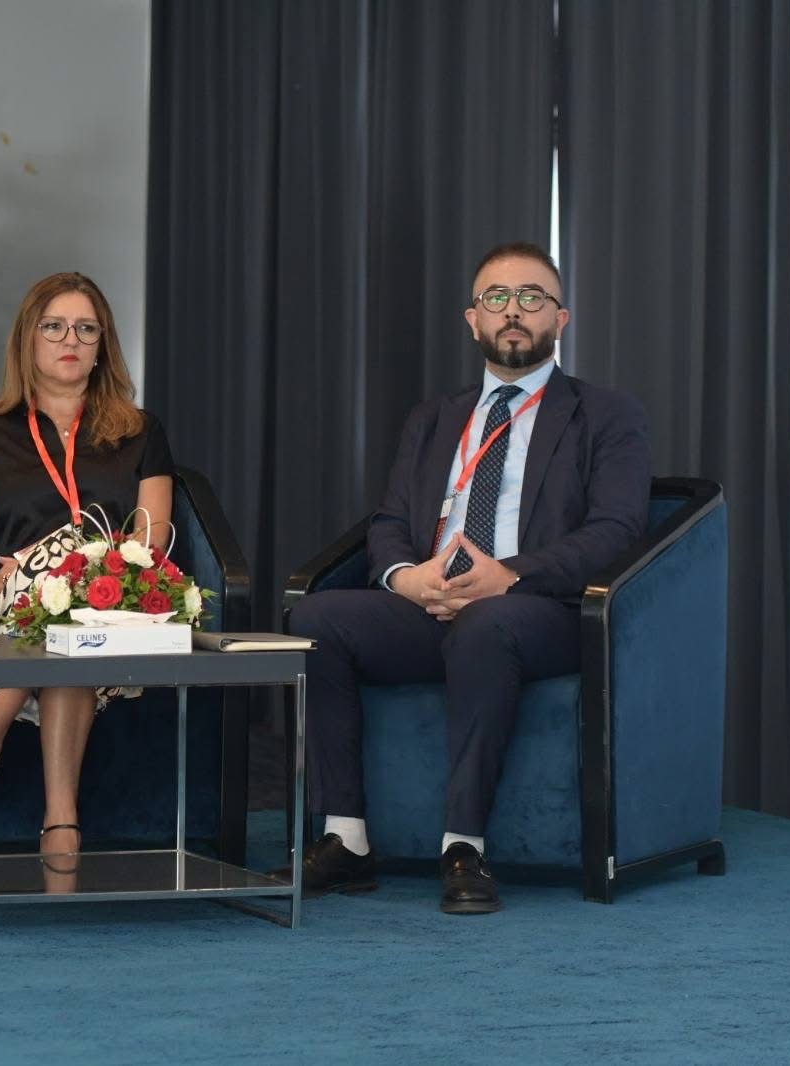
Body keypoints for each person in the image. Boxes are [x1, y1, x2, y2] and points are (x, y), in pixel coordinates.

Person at [288, 241, 650, 914]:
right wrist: (406, 578)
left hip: (541, 611)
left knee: (487, 623)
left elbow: (615, 530)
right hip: (434, 601)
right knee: (315, 620)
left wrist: (507, 575)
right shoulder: (434, 418)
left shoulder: (605, 414)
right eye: (496, 298)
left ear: (560, 319)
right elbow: (389, 519)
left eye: (532, 297)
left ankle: (464, 847)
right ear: (472, 318)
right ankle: (346, 838)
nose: (514, 311)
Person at [0, 272, 175, 868]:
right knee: (60, 620)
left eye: (87, 329)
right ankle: (61, 824)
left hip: (116, 607)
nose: (71, 339)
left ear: (102, 346)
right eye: (55, 326)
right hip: (18, 607)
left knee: (74, 591)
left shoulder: (140, 431)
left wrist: (92, 567)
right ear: (28, 340)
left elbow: (154, 535)